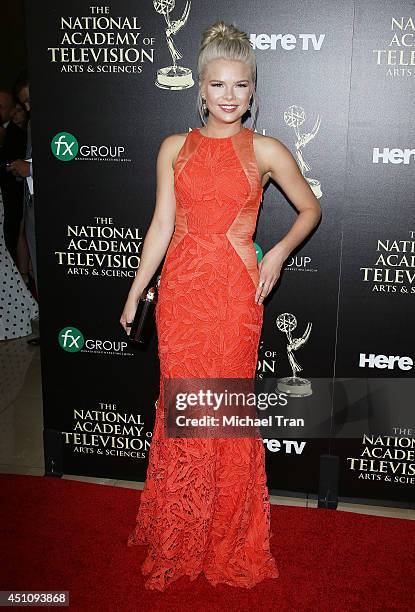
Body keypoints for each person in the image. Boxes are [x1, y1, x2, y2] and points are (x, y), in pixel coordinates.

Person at [121, 20, 321, 591]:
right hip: (181, 294)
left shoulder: (265, 150)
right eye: (217, 85)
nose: (228, 96)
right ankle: (179, 526)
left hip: (235, 295)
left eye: (240, 86)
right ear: (200, 88)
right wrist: (137, 288)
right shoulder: (172, 148)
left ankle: (225, 533)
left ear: (253, 90)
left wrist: (276, 254)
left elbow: (310, 210)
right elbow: (162, 224)